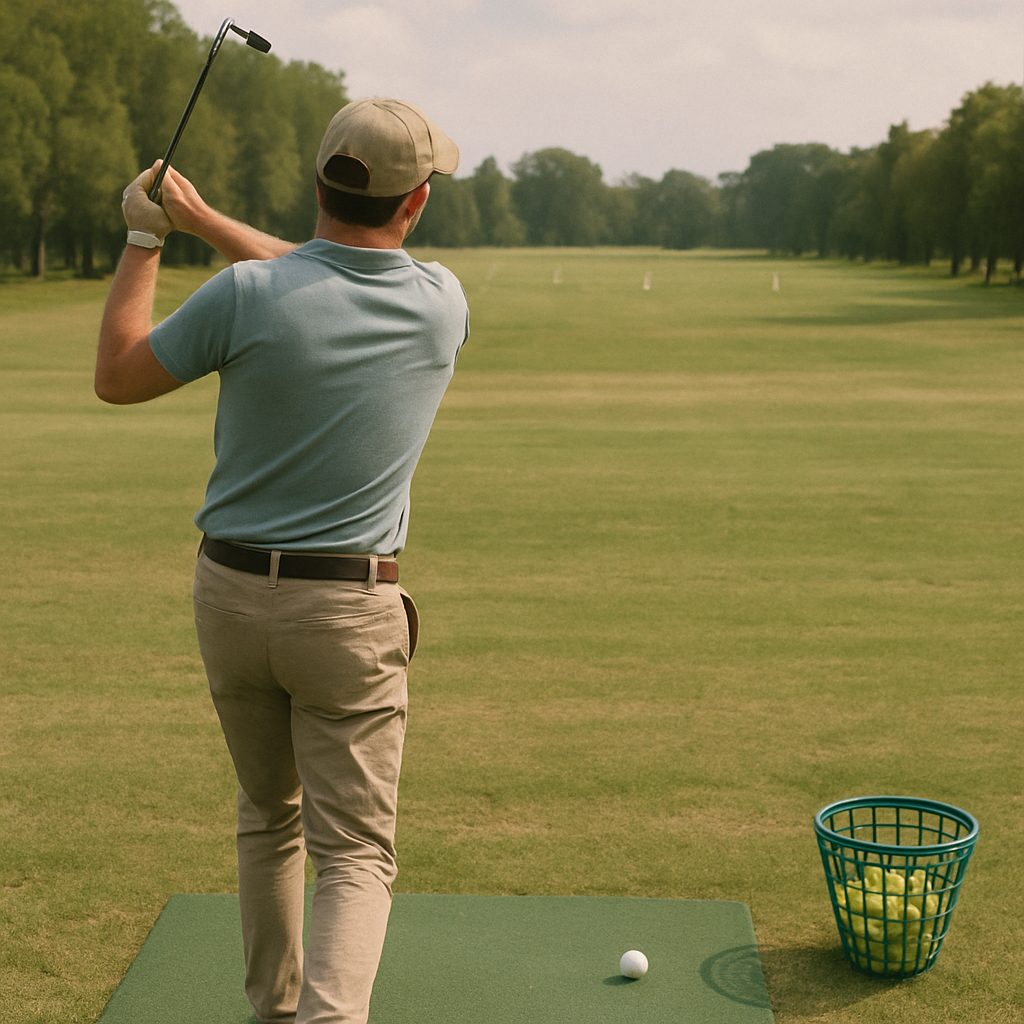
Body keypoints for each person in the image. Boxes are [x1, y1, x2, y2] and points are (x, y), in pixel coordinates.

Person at [96, 98, 469, 1024]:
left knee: (269, 817)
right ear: (414, 203)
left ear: (319, 182)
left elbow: (119, 374)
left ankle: (275, 1012)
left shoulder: (244, 297)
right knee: (354, 853)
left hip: (229, 598)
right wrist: (202, 221)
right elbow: (318, 277)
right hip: (348, 612)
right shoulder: (439, 303)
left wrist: (150, 237)